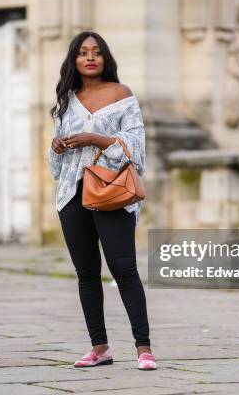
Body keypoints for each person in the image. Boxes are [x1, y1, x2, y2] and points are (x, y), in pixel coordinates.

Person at [46, 31, 156, 371]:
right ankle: (100, 348)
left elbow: (136, 149)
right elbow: (56, 168)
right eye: (82, 52)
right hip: (72, 195)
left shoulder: (122, 95)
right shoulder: (67, 100)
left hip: (112, 192)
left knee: (124, 268)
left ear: (105, 58)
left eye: (96, 52)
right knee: (87, 274)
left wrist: (96, 138)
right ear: (74, 60)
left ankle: (144, 349)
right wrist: (56, 148)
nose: (90, 57)